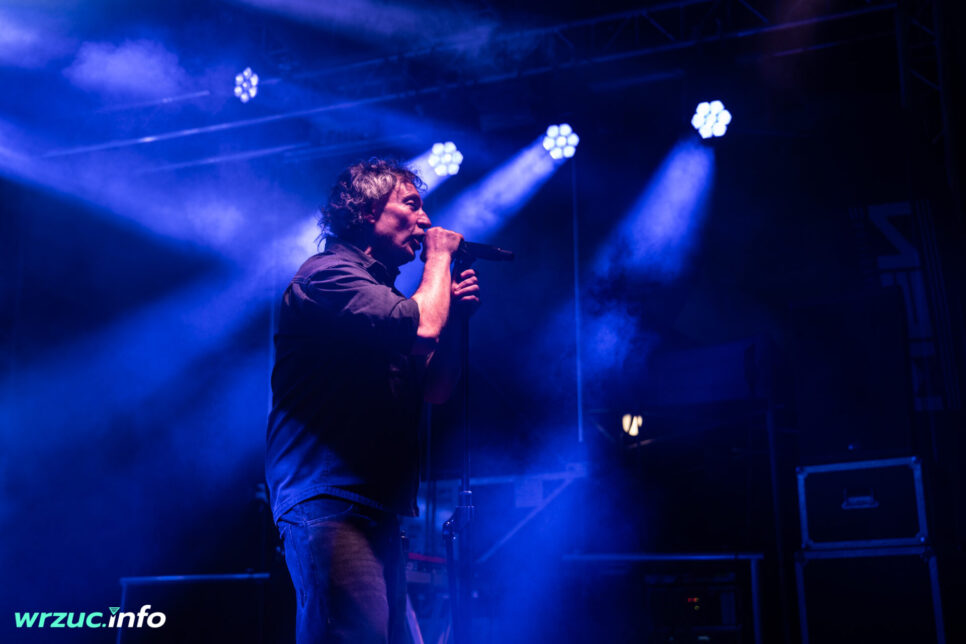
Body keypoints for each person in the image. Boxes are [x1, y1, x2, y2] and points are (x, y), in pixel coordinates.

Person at [265, 158, 480, 643]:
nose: (425, 220)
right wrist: (439, 260)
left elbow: (436, 387)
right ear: (365, 211)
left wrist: (457, 322)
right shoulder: (328, 277)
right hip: (330, 498)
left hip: (372, 504)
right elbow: (422, 328)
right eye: (411, 204)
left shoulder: (382, 296)